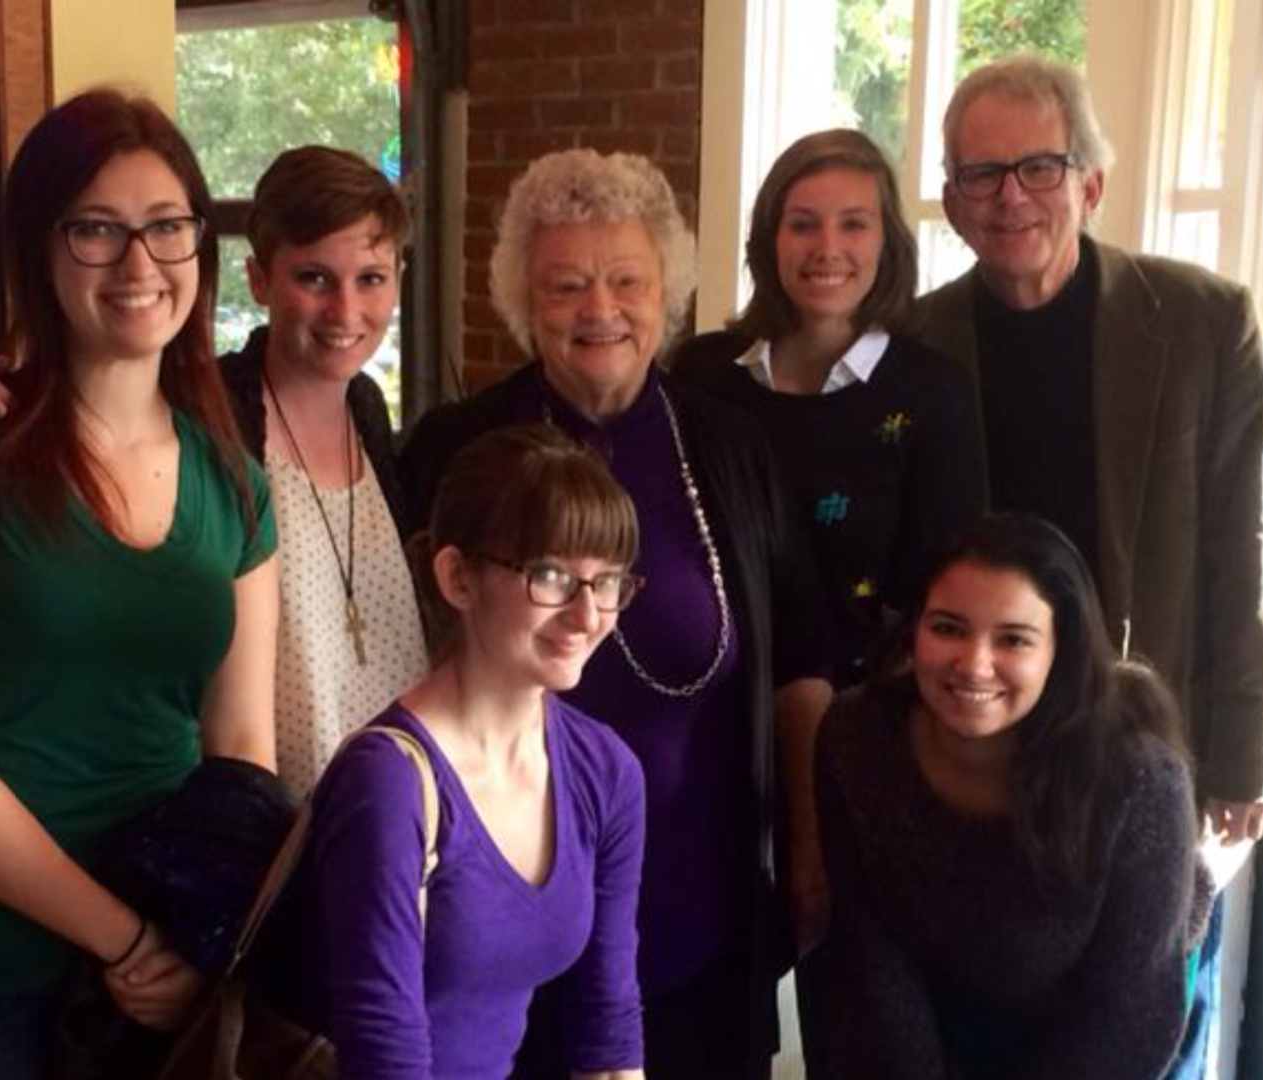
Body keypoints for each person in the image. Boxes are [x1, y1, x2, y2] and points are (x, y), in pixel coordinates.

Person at [0, 89, 280, 1079]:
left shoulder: (233, 478)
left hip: (153, 976)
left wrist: (201, 943)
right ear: (39, 245)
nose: (138, 263)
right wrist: (120, 937)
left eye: (167, 228)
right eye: (95, 230)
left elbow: (241, 747)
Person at [399, 148, 831, 1080]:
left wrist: (805, 848)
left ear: (665, 290)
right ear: (523, 298)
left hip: (698, 917)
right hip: (501, 926)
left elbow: (800, 659)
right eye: (566, 285)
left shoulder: (727, 447)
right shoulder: (459, 448)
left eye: (627, 279)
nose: (601, 309)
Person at [911, 55, 1263, 1076]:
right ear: (951, 201)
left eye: (1037, 167)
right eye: (980, 176)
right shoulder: (914, 342)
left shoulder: (1204, 322)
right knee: (990, 1029)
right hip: (974, 743)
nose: (1010, 198)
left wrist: (1248, 744)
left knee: (1150, 1026)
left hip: (1144, 750)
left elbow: (1247, 542)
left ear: (1090, 181)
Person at [0, 145, 427, 794]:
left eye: (371, 279)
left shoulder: (368, 409)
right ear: (261, 280)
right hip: (260, 805)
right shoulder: (205, 407)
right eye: (315, 278)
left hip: (393, 806)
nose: (346, 312)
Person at [668, 127, 985, 1080]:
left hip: (871, 742)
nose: (828, 247)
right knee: (722, 1008)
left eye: (853, 223)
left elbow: (952, 585)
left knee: (863, 1009)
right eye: (802, 224)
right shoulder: (701, 376)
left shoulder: (931, 390)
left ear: (887, 239)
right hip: (713, 735)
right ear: (768, 238)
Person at [296, 424, 647, 1080]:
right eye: (551, 576)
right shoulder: (389, 782)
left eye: (606, 583)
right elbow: (384, 1054)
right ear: (458, 578)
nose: (587, 614)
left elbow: (608, 1022)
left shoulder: (607, 771)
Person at [817, 513, 1209, 1080]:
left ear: (1060, 650)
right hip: (955, 990)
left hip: (1131, 998)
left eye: (1014, 639)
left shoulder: (1141, 783)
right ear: (914, 630)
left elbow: (1127, 1015)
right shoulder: (856, 739)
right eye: (947, 628)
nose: (974, 663)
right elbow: (872, 962)